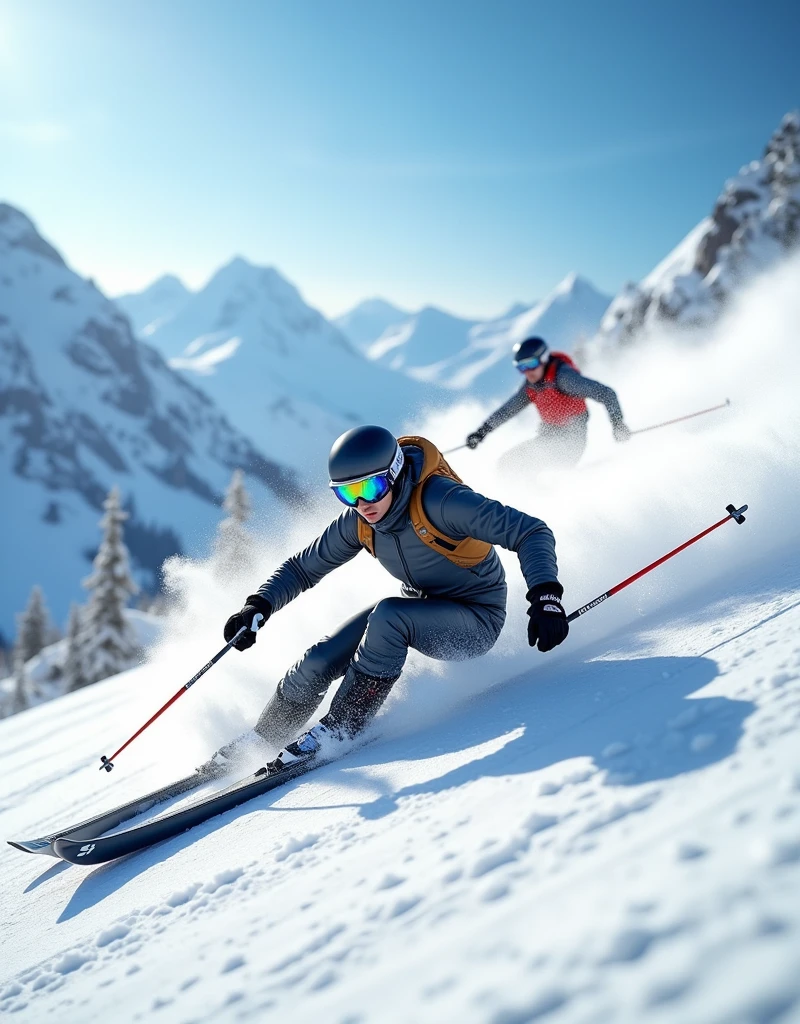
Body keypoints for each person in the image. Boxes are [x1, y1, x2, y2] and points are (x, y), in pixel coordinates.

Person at [211, 425, 569, 772]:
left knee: (387, 617)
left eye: (372, 486)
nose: (363, 502)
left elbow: (531, 531)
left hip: (475, 621)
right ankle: (265, 736)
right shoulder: (360, 521)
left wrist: (545, 597)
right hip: (418, 609)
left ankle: (341, 726)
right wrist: (258, 605)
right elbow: (303, 569)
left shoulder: (441, 501)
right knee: (322, 656)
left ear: (395, 474)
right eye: (348, 493)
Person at [465, 336, 630, 472]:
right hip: (548, 437)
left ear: (543, 359)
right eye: (521, 367)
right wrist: (482, 431)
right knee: (506, 463)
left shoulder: (564, 378)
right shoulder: (531, 385)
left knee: (533, 470)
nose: (527, 372)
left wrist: (618, 424)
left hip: (571, 442)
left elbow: (606, 393)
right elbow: (508, 410)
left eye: (531, 364)